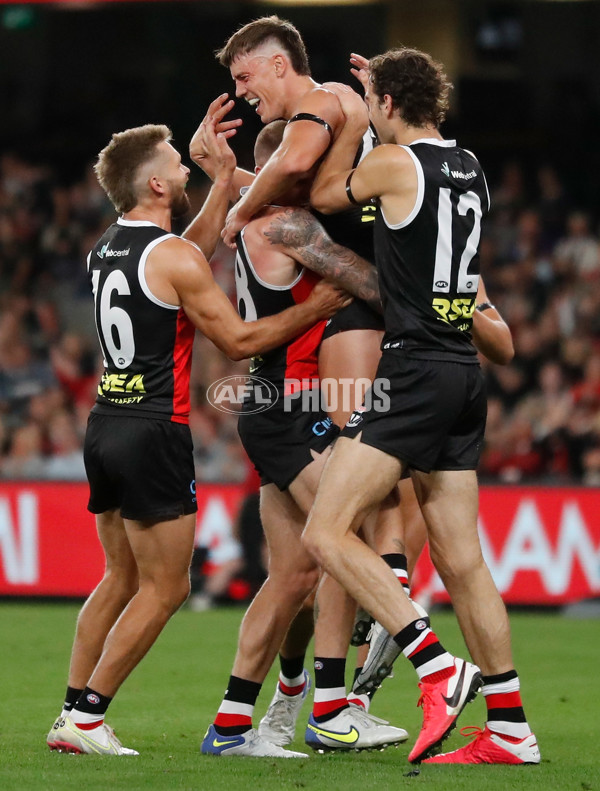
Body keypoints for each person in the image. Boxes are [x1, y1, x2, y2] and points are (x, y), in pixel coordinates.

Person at [46, 122, 348, 756]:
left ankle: (71, 709)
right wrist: (313, 309)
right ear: (156, 183)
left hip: (105, 425)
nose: (185, 171)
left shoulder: (110, 247)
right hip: (156, 427)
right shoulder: (173, 256)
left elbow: (188, 252)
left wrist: (217, 182)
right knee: (169, 587)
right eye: (178, 166)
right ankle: (90, 717)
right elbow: (237, 341)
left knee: (120, 576)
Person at [304, 47, 540, 765]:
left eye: (376, 99)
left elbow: (322, 195)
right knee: (465, 561)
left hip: (412, 369)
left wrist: (350, 114)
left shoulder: (391, 164)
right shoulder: (470, 168)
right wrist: (387, 93)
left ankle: (437, 664)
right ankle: (511, 728)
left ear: (390, 106)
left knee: (326, 530)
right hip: (463, 370)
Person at [200, 119, 408, 758]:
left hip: (273, 408)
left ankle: (232, 726)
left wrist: (226, 175)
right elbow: (374, 285)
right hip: (295, 409)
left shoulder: (259, 220)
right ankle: (332, 708)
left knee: (291, 576)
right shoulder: (289, 226)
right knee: (341, 532)